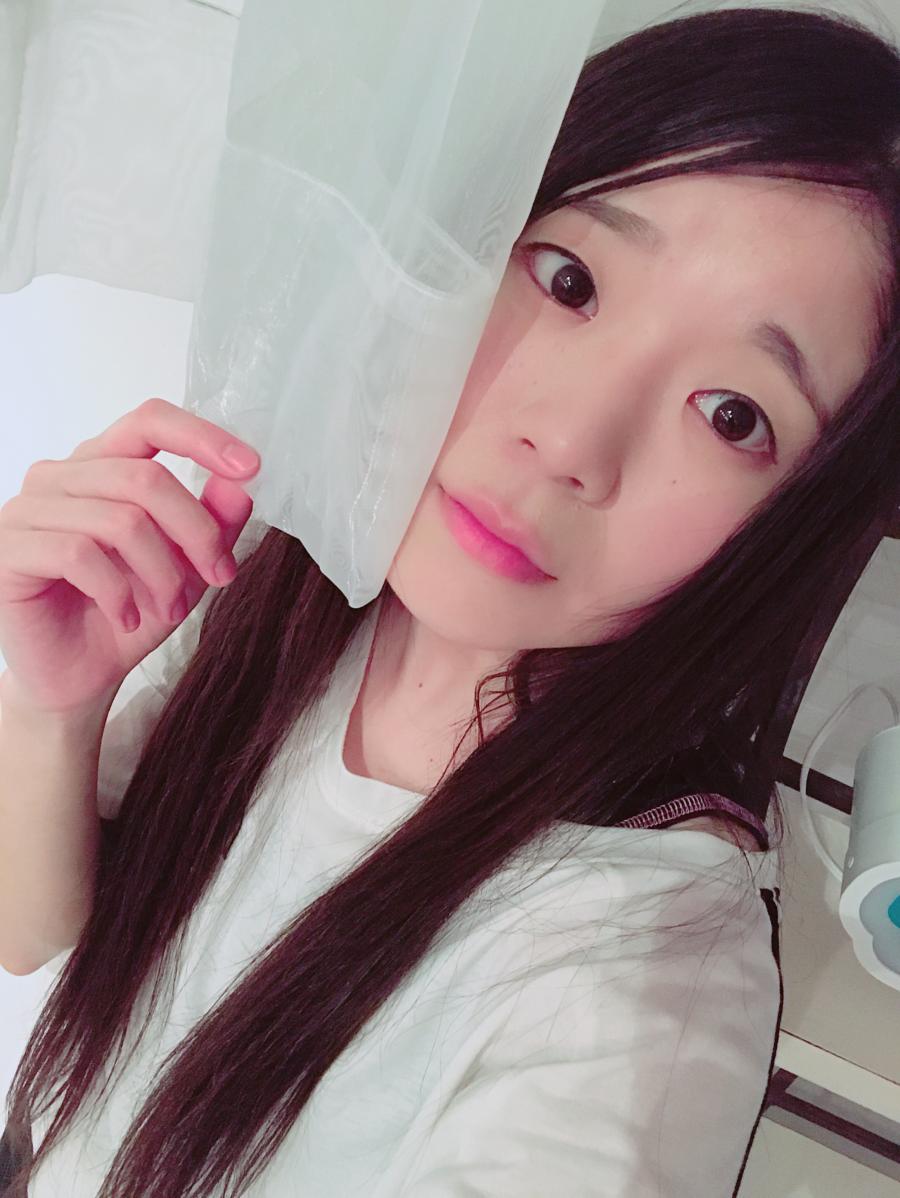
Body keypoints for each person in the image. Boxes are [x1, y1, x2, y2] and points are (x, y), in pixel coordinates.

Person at [0, 6, 897, 1196]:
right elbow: (37, 937)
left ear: (790, 530)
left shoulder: (642, 974)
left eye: (734, 415)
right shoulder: (283, 574)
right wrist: (52, 708)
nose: (569, 440)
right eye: (570, 279)